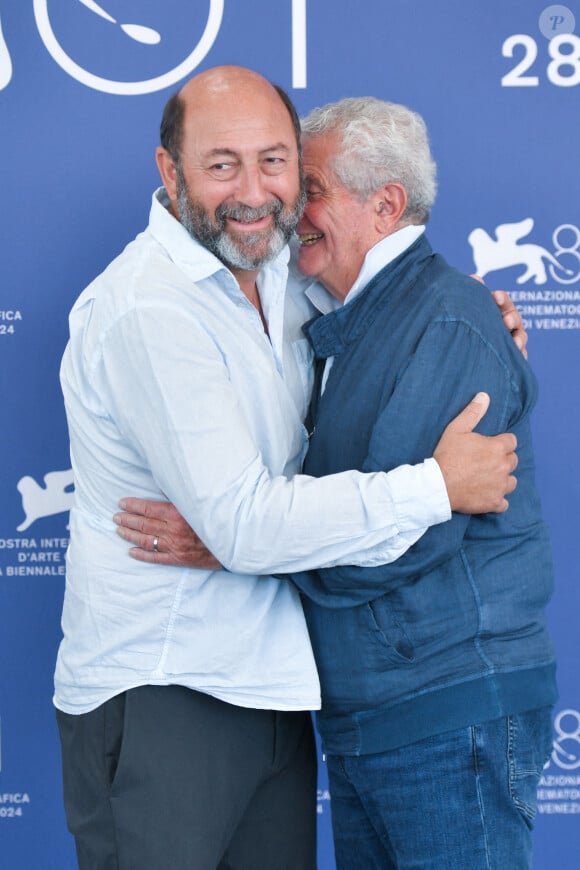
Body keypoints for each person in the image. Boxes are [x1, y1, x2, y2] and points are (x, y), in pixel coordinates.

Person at [57, 66, 523, 870]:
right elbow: (243, 526)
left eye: (275, 162)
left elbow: (391, 308)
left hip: (276, 686)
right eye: (221, 164)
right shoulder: (149, 307)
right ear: (170, 173)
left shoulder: (279, 277)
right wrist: (436, 488)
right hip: (168, 688)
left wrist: (472, 314)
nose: (254, 190)